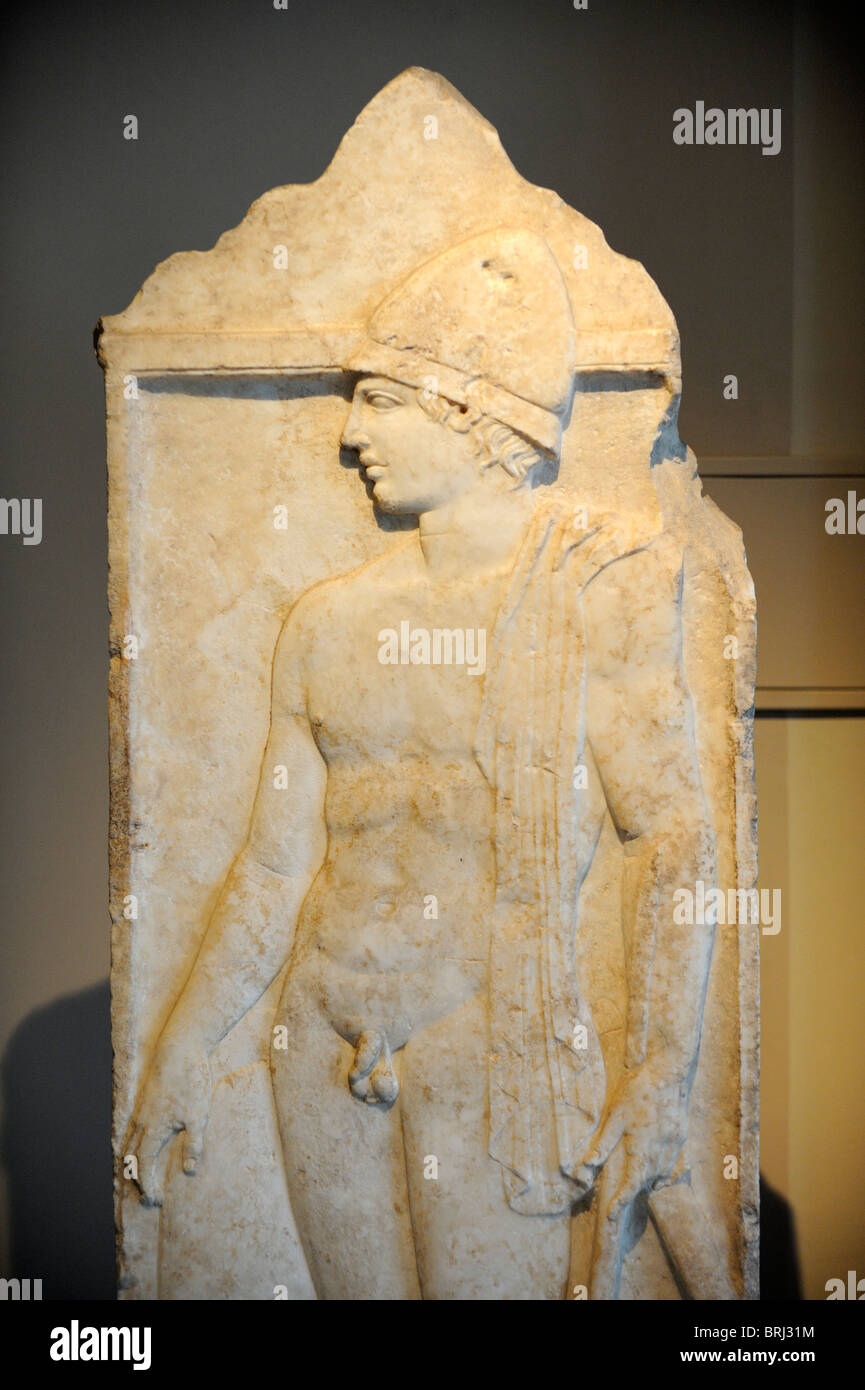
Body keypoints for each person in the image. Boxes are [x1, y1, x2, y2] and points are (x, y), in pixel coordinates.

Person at [127, 230, 716, 1299]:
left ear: (476, 416)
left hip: (488, 1044)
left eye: (380, 402)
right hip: (317, 1036)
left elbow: (671, 837)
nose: (349, 436)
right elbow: (271, 867)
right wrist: (179, 1046)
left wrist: (662, 1075)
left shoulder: (594, 591)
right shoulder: (327, 623)